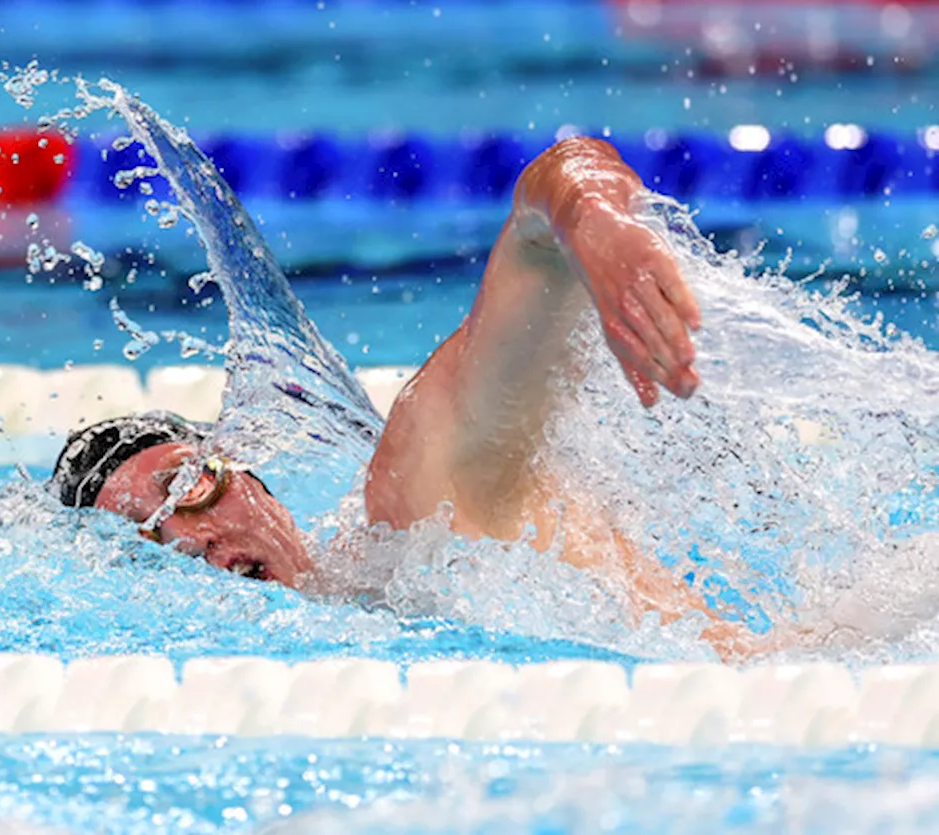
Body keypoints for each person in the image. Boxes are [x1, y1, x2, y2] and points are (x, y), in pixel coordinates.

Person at [51, 137, 758, 658]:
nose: (191, 537)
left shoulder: (421, 514)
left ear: (256, 484)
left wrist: (595, 220)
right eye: (146, 540)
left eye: (185, 488)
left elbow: (543, 207)